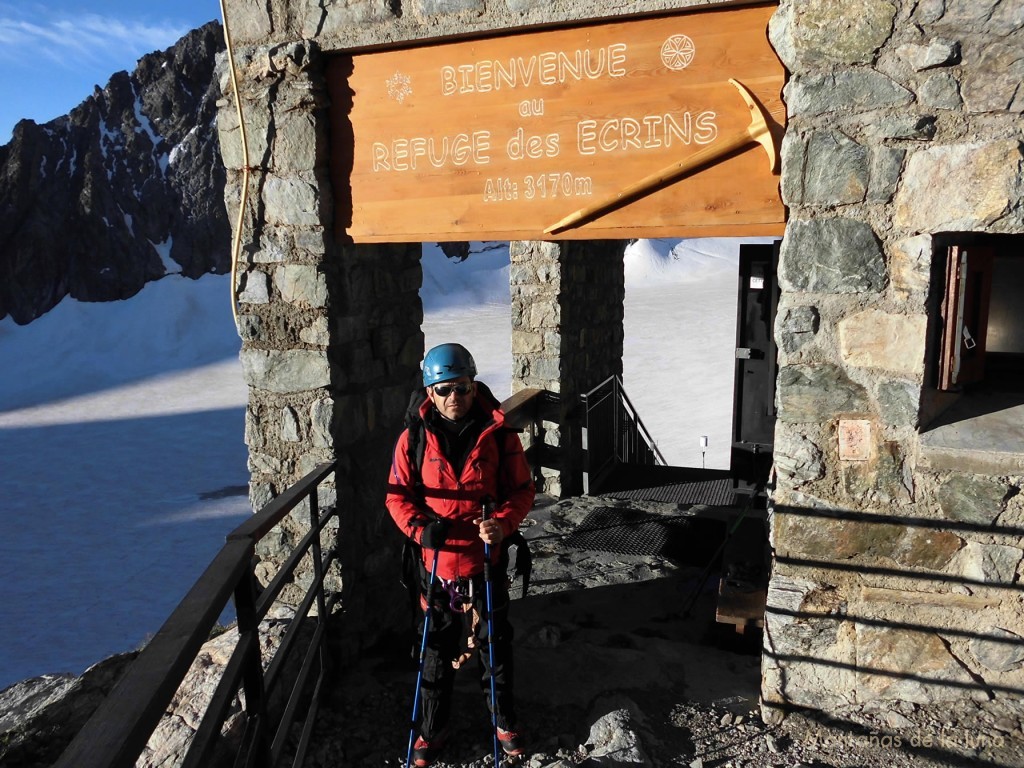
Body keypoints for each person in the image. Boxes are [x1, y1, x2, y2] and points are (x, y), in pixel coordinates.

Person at [386, 342, 535, 767]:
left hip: (485, 562)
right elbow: (397, 496)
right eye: (446, 388)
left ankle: (503, 721)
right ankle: (433, 729)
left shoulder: (499, 433)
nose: (456, 397)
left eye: (464, 388)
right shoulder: (412, 438)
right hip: (436, 565)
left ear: (475, 385)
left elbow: (523, 490)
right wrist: (419, 529)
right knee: (434, 649)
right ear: (430, 392)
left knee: (494, 646)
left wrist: (502, 525)